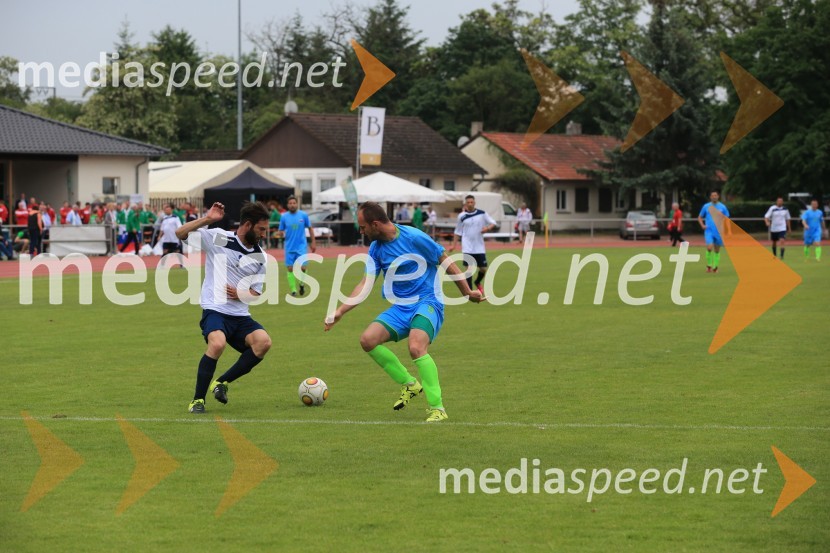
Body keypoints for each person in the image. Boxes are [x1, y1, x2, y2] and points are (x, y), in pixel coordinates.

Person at [324, 201, 485, 422]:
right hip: (401, 307)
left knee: (416, 347)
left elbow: (445, 260)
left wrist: (466, 291)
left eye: (362, 227)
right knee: (368, 340)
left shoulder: (414, 237)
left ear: (376, 224)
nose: (360, 232)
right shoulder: (376, 249)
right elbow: (365, 284)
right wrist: (341, 311)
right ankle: (409, 384)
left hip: (428, 302)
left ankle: (437, 408)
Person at [175, 201, 272, 414]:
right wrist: (208, 219)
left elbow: (256, 293)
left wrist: (240, 294)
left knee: (264, 342)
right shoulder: (221, 237)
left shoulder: (260, 256)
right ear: (247, 225)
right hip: (215, 310)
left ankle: (222, 382)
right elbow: (180, 233)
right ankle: (197, 401)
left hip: (240, 316)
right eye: (261, 229)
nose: (265, 234)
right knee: (217, 344)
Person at [450, 194, 497, 293]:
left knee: (483, 269)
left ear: (474, 203)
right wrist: (454, 245)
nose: (470, 204)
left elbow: (493, 222)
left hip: (479, 247)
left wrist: (487, 228)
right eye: (468, 202)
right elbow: (457, 232)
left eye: (472, 202)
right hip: (467, 247)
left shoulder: (482, 213)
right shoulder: (461, 216)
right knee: (469, 270)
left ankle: (477, 282)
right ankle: (470, 292)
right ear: (465, 204)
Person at [278, 195, 316, 296]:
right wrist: (280, 233)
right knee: (290, 268)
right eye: (290, 203)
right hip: (289, 247)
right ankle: (293, 290)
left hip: (301, 246)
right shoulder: (284, 217)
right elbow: (280, 230)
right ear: (287, 205)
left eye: (294, 203)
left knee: (303, 267)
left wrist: (313, 242)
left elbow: (310, 228)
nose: (292, 205)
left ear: (297, 204)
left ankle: (302, 284)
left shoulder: (303, 215)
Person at [697, 191, 730, 273]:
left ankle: (715, 267)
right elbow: (699, 217)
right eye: (712, 195)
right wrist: (702, 225)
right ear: (710, 197)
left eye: (715, 195)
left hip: (719, 231)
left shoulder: (722, 207)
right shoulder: (706, 206)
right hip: (709, 231)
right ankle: (709, 265)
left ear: (718, 196)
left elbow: (727, 219)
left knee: (717, 250)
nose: (714, 197)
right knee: (709, 247)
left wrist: (728, 230)